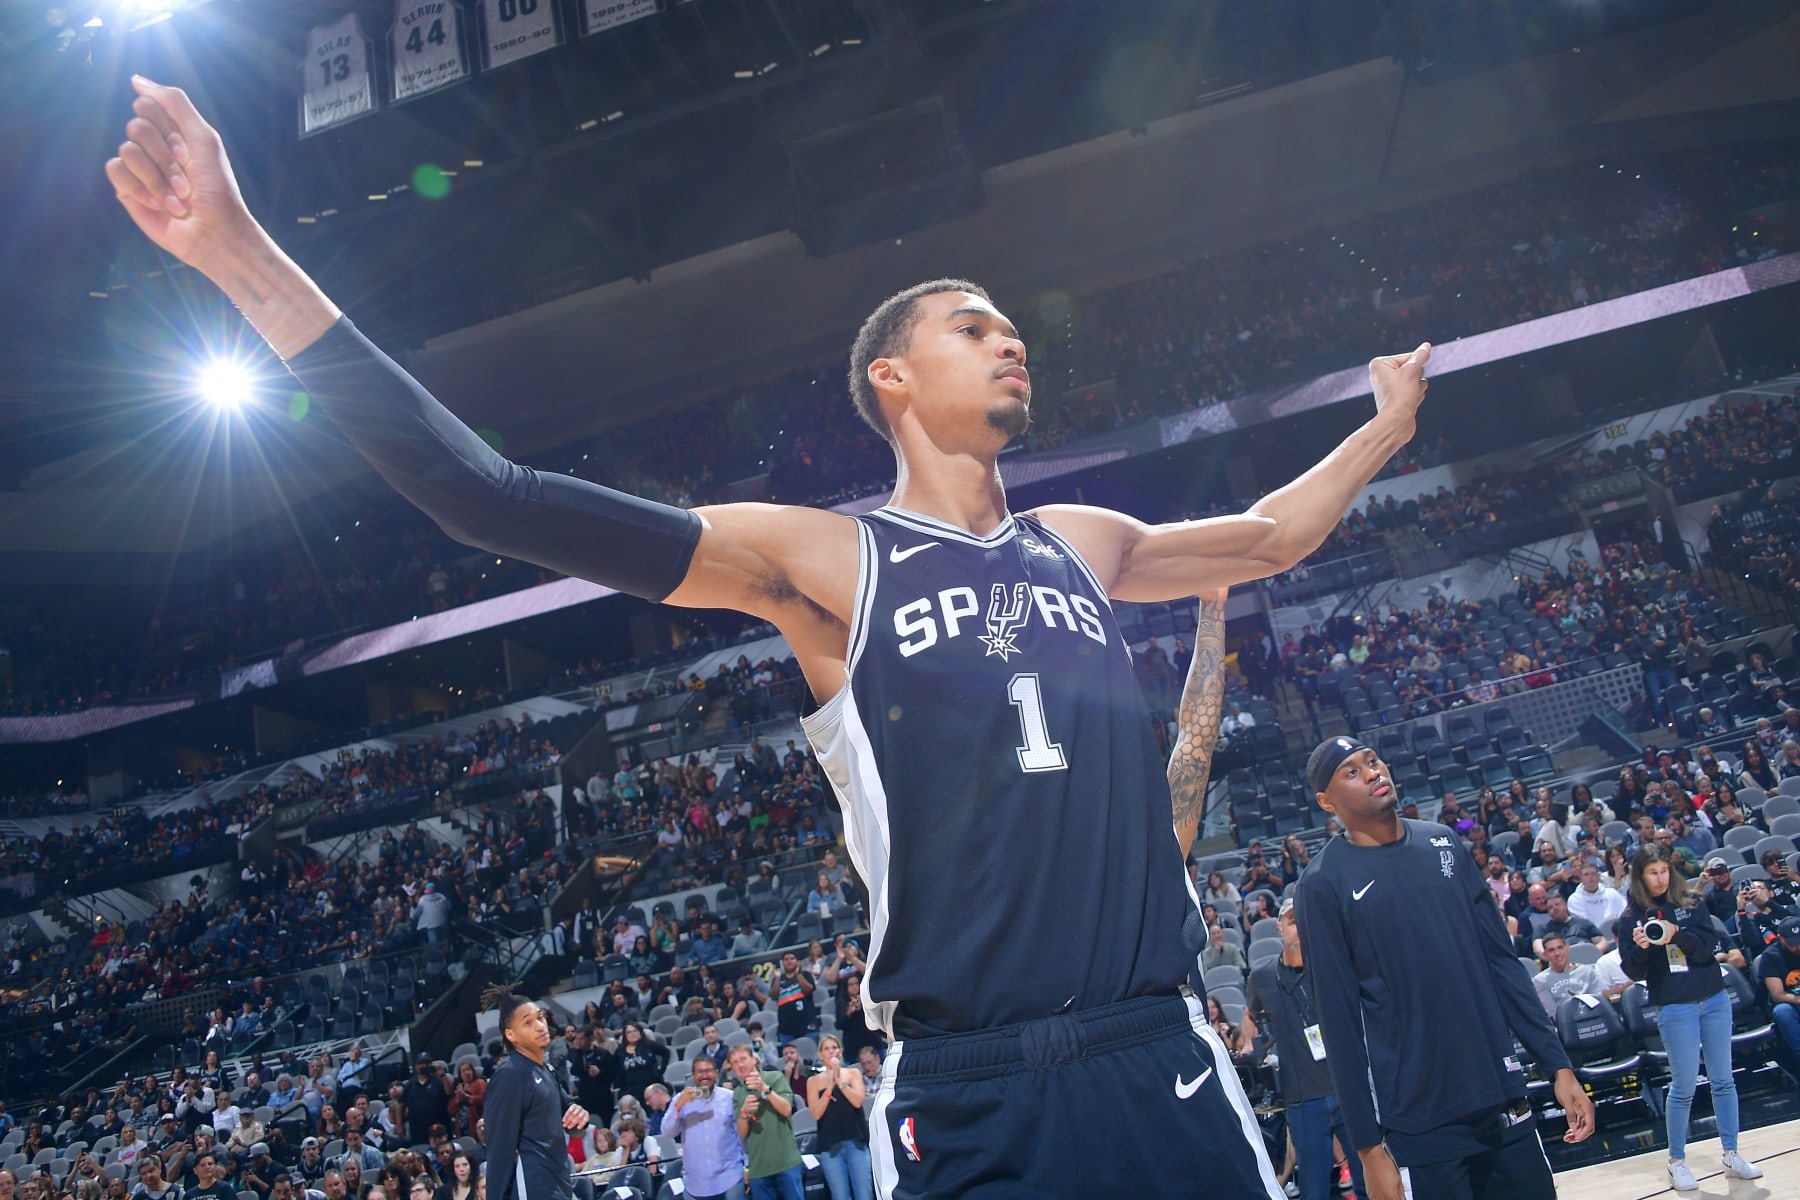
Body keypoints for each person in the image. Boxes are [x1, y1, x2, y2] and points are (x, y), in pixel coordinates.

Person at [106, 79, 1430, 1200]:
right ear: (892, 382)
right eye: (972, 327)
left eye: (1011, 323)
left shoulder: (1084, 538)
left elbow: (1263, 535)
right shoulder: (825, 560)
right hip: (977, 1089)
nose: (1011, 335)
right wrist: (236, 252)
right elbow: (490, 498)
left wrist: (1380, 430)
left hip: (1164, 1053)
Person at [1295, 737, 1593, 1200]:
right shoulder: (1322, 885)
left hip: (1502, 1098)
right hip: (1420, 1122)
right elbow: (1338, 1023)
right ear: (1327, 802)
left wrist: (1557, 1065)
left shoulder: (1443, 843)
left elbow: (1502, 964)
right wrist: (1369, 1148)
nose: (1373, 773)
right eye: (1352, 772)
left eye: (1373, 761)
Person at [1618, 845, 1764, 1191]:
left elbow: (1706, 949)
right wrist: (1641, 947)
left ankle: (1731, 1153)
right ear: (1640, 876)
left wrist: (1675, 933)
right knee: (1683, 1085)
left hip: (1713, 1000)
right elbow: (1632, 970)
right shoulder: (1630, 919)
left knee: (1723, 1080)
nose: (1660, 878)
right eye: (1652, 873)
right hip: (1675, 1007)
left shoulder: (1691, 902)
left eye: (1664, 871)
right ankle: (1677, 1161)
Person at [1241, 900, 1369, 1200]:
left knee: (1369, 1181)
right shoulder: (1262, 976)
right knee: (1314, 1190)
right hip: (1303, 1097)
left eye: (1303, 922)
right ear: (1280, 927)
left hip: (1347, 1089)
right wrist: (1253, 1044)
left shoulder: (1333, 965)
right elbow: (1250, 1017)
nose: (1298, 930)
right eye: (1292, 922)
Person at [477, 985, 591, 1200]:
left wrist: (580, 1117)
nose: (540, 1026)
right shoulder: (510, 1075)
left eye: (540, 1018)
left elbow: (569, 1118)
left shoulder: (546, 1070)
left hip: (558, 1182)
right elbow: (500, 1149)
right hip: (531, 1187)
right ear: (511, 1035)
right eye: (528, 1023)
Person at [662, 1057, 746, 1200]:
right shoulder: (680, 1099)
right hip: (696, 1184)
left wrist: (747, 1167)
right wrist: (678, 1106)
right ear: (693, 1076)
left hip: (730, 1178)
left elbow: (742, 1136)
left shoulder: (730, 1098)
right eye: (700, 1072)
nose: (704, 1076)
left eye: (708, 1071)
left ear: (717, 1073)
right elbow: (667, 1132)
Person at [729, 1045, 804, 1200]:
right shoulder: (738, 1093)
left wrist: (765, 1089)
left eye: (743, 1059)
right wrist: (744, 1113)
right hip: (758, 1169)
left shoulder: (775, 1077)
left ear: (754, 1060)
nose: (740, 1065)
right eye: (735, 1062)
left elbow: (786, 1109)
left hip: (786, 1163)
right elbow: (741, 1133)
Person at [804, 1036, 872, 1200]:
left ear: (840, 1052)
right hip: (830, 1147)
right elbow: (816, 1113)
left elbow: (857, 1101)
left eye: (834, 1047)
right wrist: (829, 1087)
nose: (831, 1051)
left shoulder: (853, 1073)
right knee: (840, 1196)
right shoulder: (813, 1082)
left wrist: (840, 1082)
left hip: (856, 1143)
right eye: (826, 1049)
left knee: (864, 1194)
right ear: (820, 1054)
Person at [1755, 916, 1800, 1068]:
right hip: (1791, 1003)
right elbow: (1778, 995)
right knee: (1783, 1011)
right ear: (1781, 938)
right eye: (1794, 943)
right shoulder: (1771, 957)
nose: (1798, 946)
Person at [1530, 934, 1602, 1018]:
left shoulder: (1587, 971)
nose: (1557, 953)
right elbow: (1553, 1014)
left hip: (1594, 1017)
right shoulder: (1540, 981)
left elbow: (1599, 1001)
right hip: (1566, 1024)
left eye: (1560, 947)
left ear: (1568, 948)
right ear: (1545, 955)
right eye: (1551, 950)